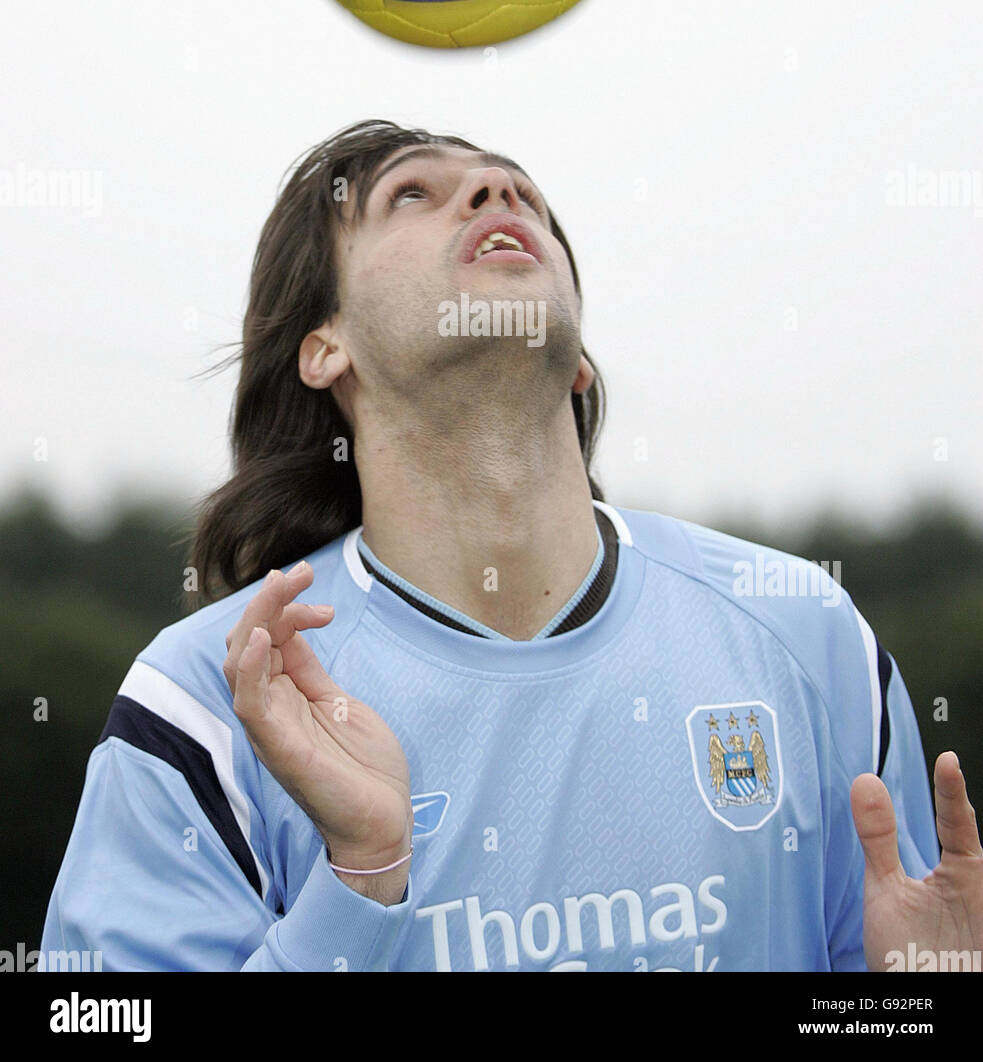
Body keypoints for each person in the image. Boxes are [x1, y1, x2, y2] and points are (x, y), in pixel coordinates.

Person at [41, 119, 982, 972]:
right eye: (412, 193)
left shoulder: (803, 632)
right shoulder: (211, 702)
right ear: (324, 345)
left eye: (518, 189)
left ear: (576, 359)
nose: (498, 195)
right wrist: (362, 880)